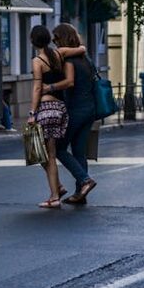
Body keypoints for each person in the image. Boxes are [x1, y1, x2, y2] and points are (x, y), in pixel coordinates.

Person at [44, 23, 98, 205]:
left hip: (76, 110)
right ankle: (80, 193)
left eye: (56, 39)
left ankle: (85, 180)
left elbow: (69, 82)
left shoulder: (68, 60)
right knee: (79, 151)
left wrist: (49, 88)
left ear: (63, 38)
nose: (54, 42)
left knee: (59, 148)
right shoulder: (86, 58)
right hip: (90, 109)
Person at [28, 25, 73, 209]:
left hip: (45, 109)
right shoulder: (58, 54)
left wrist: (32, 113)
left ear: (32, 41)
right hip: (60, 108)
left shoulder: (37, 61)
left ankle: (54, 197)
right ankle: (58, 187)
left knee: (41, 153)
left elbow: (37, 88)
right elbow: (81, 49)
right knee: (46, 153)